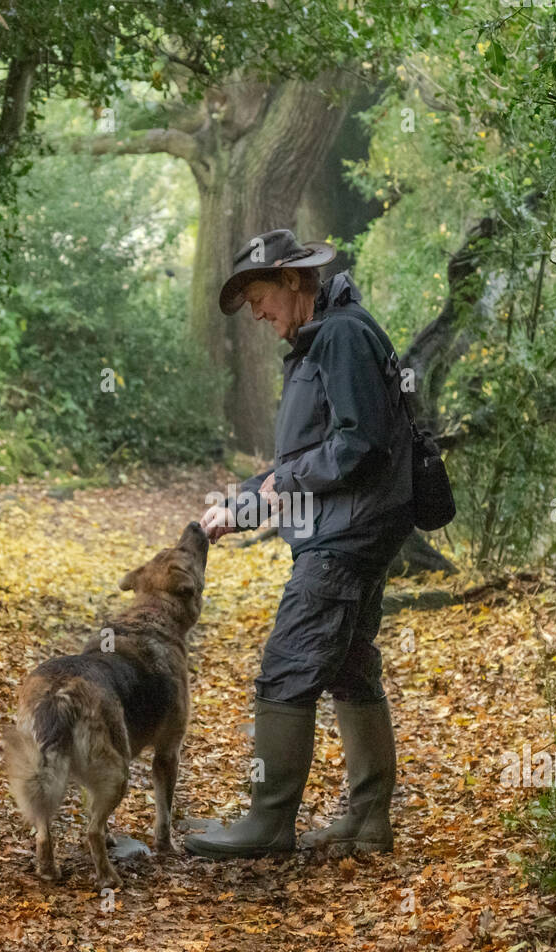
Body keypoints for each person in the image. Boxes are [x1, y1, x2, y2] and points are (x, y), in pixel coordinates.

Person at [185, 228, 414, 860]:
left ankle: (269, 819)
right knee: (348, 667)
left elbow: (357, 444)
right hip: (349, 530)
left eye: (259, 297)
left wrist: (276, 484)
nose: (256, 313)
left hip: (343, 538)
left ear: (292, 280)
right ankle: (368, 820)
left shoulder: (340, 336)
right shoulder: (327, 336)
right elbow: (312, 453)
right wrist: (245, 501)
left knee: (288, 666)